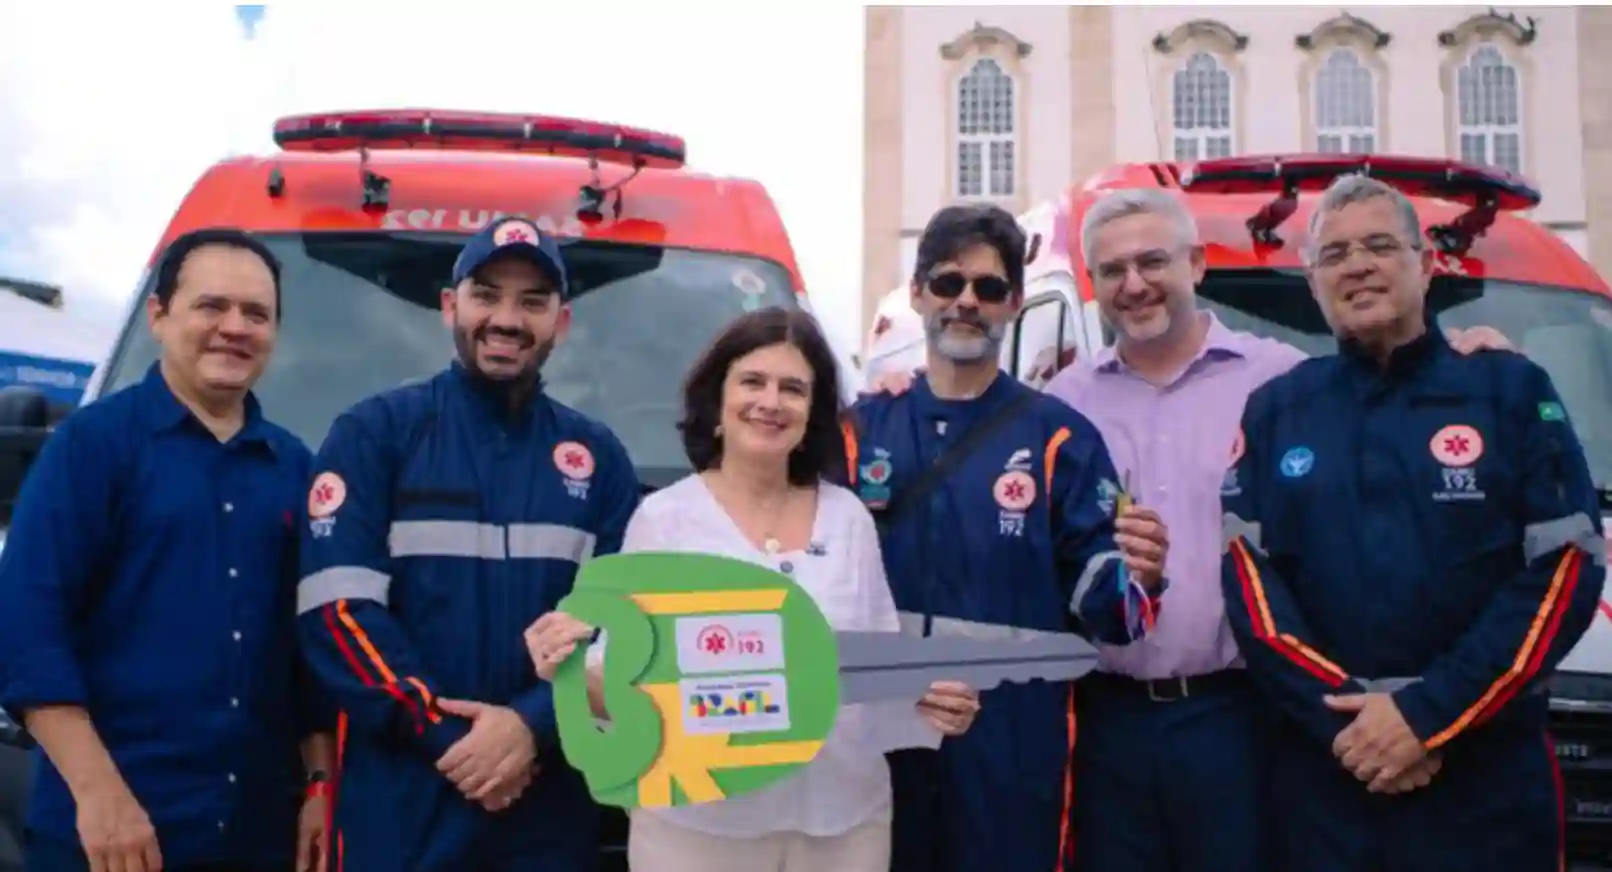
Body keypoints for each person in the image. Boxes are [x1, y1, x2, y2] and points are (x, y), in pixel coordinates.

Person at [870, 189, 1520, 872]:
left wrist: (1467, 354)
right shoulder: (1063, 402)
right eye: (1113, 271)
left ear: (1198, 264)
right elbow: (969, 417)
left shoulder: (1281, 378)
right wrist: (902, 389)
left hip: (1237, 716)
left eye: (1153, 261)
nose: (1135, 284)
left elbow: (1390, 403)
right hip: (1103, 720)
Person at [1221, 173, 1605, 872]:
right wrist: (1355, 726)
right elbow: (1252, 589)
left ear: (1427, 265)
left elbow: (1568, 566)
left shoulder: (1509, 389)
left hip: (1484, 778)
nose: (1358, 265)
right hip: (1330, 779)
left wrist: (1429, 716)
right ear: (1312, 283)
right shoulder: (1277, 411)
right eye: (1334, 255)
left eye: (1378, 245)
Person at [526, 306, 981, 872]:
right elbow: (617, 684)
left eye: (793, 388)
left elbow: (876, 672)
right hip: (697, 828)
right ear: (717, 401)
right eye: (752, 382)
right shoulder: (665, 520)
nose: (771, 401)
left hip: (844, 826)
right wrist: (567, 668)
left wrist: (931, 700)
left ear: (812, 412)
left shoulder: (848, 520)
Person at [293, 217, 640, 872]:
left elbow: (624, 622)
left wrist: (530, 726)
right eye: (487, 294)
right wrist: (454, 740)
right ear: (451, 306)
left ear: (560, 322)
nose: (507, 318)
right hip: (404, 800)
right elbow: (338, 616)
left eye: (532, 301)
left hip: (547, 800)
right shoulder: (374, 435)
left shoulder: (599, 460)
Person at [847, 203, 1171, 872]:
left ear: (1015, 304)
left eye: (989, 288)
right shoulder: (858, 430)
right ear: (916, 294)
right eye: (947, 283)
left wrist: (1141, 576)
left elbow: (1114, 615)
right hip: (878, 731)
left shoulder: (1059, 435)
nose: (966, 301)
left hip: (1013, 737)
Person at [0, 227, 335, 872]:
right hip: (111, 839)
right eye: (212, 306)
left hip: (256, 836)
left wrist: (320, 787)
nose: (234, 327)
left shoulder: (295, 468)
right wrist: (101, 799)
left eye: (255, 313)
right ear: (159, 315)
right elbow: (25, 634)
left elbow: (309, 654)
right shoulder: (90, 449)